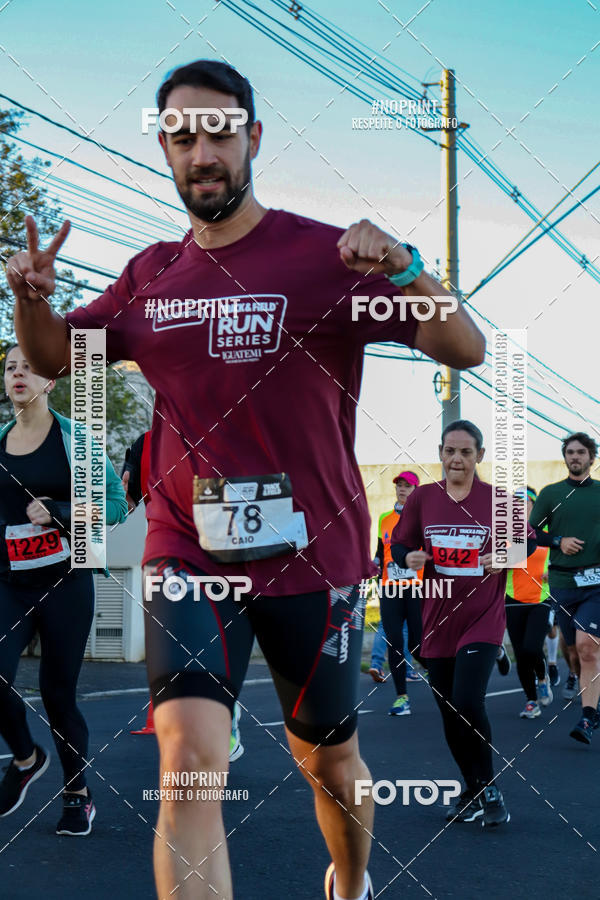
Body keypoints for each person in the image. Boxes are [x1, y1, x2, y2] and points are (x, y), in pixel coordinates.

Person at [7, 59, 485, 900]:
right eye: (182, 136)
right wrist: (32, 299)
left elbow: (465, 348)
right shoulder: (150, 276)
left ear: (253, 138)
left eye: (219, 133)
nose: (202, 152)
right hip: (187, 548)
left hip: (316, 555)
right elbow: (55, 357)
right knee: (189, 761)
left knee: (330, 760)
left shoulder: (325, 258)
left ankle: (350, 880)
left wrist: (405, 264)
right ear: (164, 149)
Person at [0, 344, 127, 834]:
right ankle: (26, 758)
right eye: (11, 368)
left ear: (50, 381)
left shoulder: (77, 441)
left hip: (65, 583)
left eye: (28, 367)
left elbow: (116, 504)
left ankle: (78, 793)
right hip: (9, 583)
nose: (18, 374)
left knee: (58, 694)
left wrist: (63, 511)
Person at [391, 420, 536, 828]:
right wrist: (407, 557)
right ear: (441, 453)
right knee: (450, 710)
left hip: (483, 618)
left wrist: (503, 557)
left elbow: (527, 542)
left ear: (479, 456)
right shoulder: (423, 498)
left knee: (468, 700)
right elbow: (400, 543)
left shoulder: (499, 500)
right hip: (438, 619)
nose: (457, 459)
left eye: (466, 452)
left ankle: (489, 788)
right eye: (450, 451)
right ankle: (471, 788)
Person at [121, 432, 244, 761]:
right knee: (181, 656)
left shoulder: (229, 431)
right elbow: (125, 503)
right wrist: (108, 500)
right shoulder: (146, 444)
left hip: (227, 556)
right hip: (169, 559)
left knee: (217, 648)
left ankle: (225, 712)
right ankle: (211, 722)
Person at [530, 432, 600, 744]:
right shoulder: (551, 493)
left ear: (591, 458)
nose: (575, 456)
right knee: (572, 652)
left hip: (596, 583)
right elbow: (530, 533)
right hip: (561, 584)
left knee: (587, 647)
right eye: (570, 452)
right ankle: (590, 690)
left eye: (581, 452)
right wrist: (558, 540)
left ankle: (587, 717)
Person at [371, 471, 424, 716]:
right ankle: (402, 697)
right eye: (399, 485)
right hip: (390, 588)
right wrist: (373, 564)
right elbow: (380, 552)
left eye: (407, 486)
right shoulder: (385, 518)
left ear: (416, 491)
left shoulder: (423, 518)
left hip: (416, 588)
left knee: (416, 644)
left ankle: (441, 673)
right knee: (394, 641)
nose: (402, 489)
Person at [504, 487, 552, 719]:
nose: (519, 506)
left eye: (524, 502)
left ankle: (542, 677)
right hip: (513, 599)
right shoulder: (505, 533)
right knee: (521, 654)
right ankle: (531, 701)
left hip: (540, 598)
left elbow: (562, 558)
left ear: (534, 505)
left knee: (532, 648)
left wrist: (554, 570)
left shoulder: (546, 533)